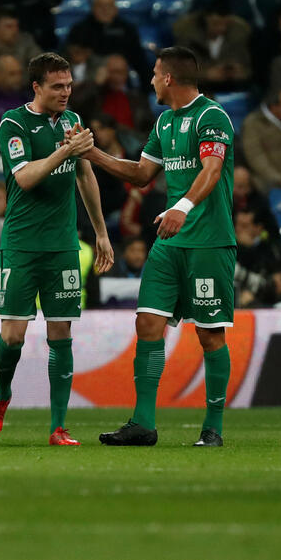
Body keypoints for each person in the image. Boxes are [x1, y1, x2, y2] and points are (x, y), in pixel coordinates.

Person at [81, 47, 236, 447]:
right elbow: (141, 174)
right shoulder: (165, 121)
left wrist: (182, 207)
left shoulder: (211, 116)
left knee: (210, 336)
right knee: (147, 323)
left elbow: (212, 169)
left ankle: (213, 428)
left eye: (154, 73)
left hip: (209, 242)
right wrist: (92, 152)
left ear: (168, 78)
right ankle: (143, 424)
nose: (149, 80)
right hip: (170, 243)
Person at [0, 52, 113, 446]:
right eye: (57, 86)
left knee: (61, 333)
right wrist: (65, 151)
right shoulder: (13, 123)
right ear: (36, 87)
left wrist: (101, 233)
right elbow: (25, 178)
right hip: (22, 245)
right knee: (13, 337)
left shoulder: (72, 122)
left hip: (62, 247)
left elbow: (86, 176)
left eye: (69, 85)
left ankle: (59, 426)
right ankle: (2, 395)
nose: (66, 93)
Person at [67, 0, 149, 85]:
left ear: (115, 9)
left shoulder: (127, 30)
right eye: (100, 6)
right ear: (93, 8)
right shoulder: (79, 30)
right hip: (89, 80)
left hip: (121, 79)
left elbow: (139, 61)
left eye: (109, 6)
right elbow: (71, 59)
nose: (105, 10)